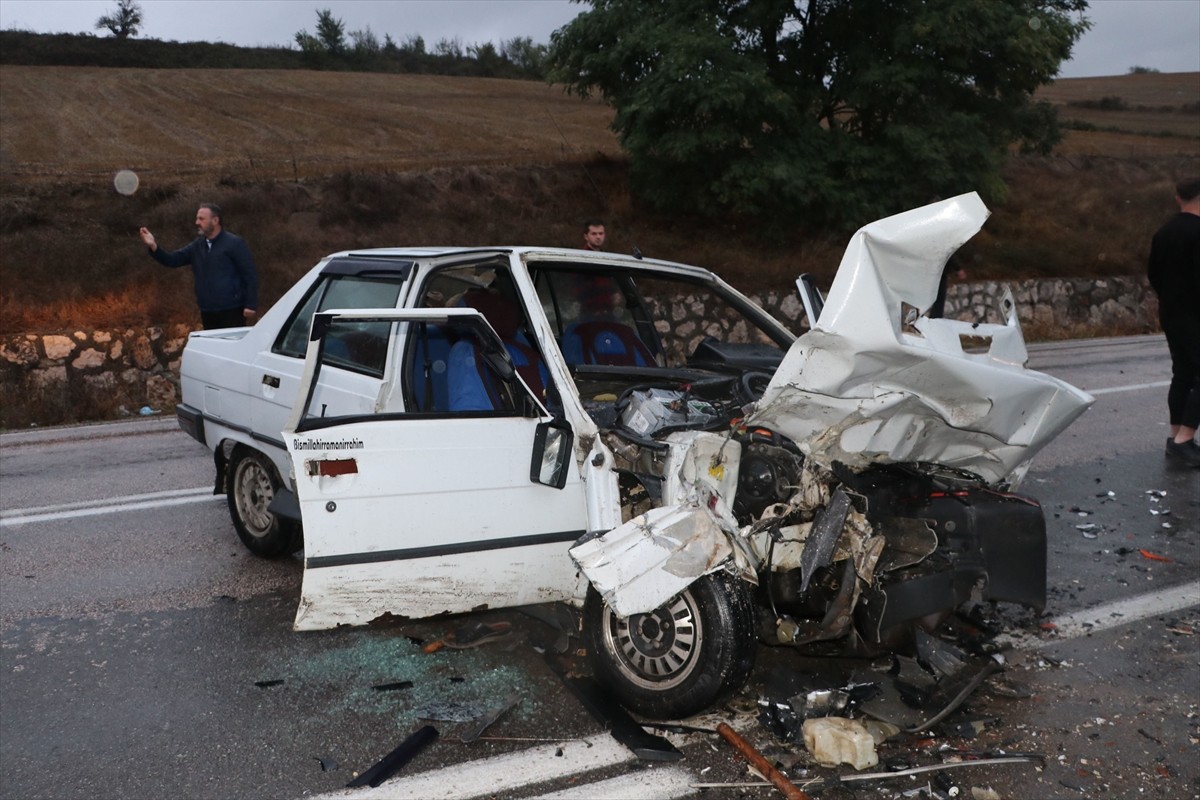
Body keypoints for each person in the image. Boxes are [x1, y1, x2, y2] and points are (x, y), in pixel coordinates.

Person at [1147, 177, 1200, 468]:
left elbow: (1153, 273)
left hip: (1171, 313)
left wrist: (1170, 298)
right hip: (1195, 315)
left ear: (1179, 198)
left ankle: (1175, 436)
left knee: (1182, 374)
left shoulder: (1164, 231)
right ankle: (1185, 441)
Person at [138, 203, 258, 329]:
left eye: (201, 219)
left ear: (215, 220)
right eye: (197, 218)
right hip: (207, 311)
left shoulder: (234, 243)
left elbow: (249, 275)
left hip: (232, 310)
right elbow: (172, 260)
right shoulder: (197, 246)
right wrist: (153, 246)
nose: (197, 222)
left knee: (231, 348)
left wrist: (250, 304)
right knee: (211, 348)